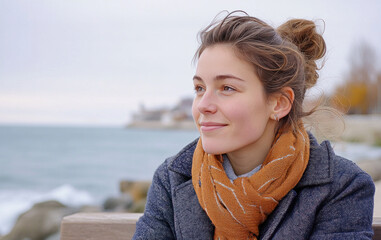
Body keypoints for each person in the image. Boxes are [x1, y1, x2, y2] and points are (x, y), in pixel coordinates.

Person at [133, 11, 375, 239]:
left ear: (279, 103)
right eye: (200, 88)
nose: (202, 105)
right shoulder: (172, 179)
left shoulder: (342, 188)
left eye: (227, 88)